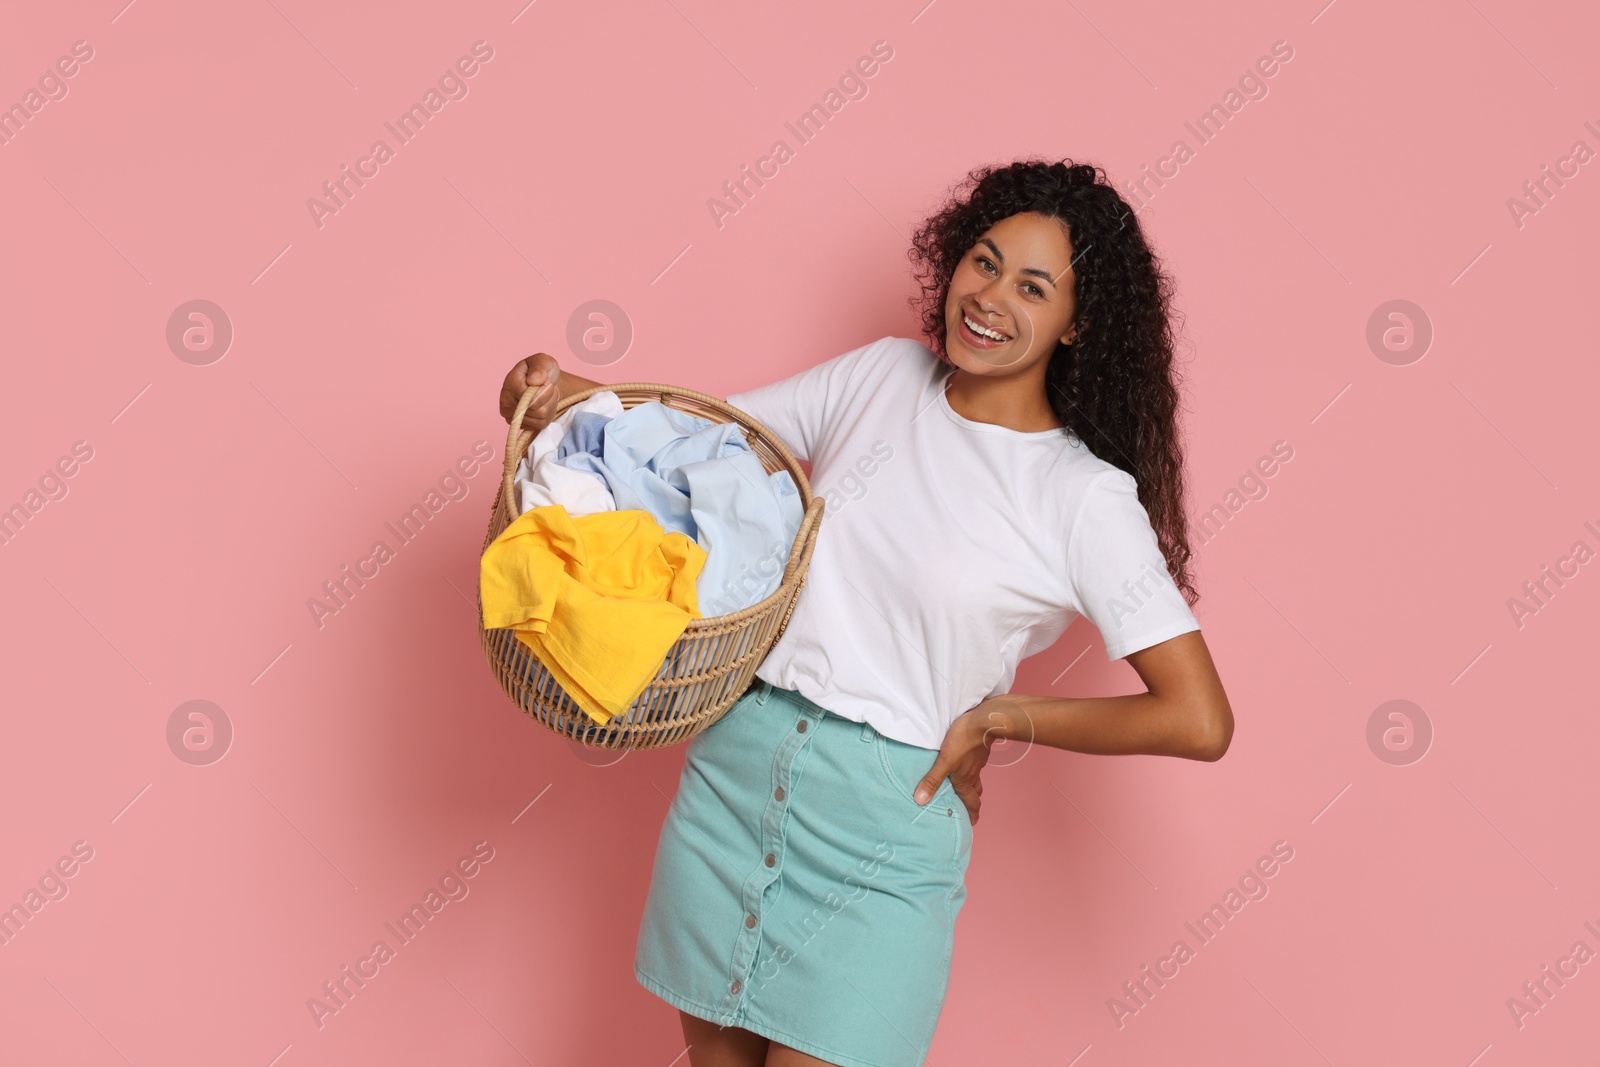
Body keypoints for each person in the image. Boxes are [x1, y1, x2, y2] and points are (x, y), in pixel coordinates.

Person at [497, 159, 1234, 1067]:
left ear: (1078, 324)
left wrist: (1005, 716)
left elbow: (1198, 718)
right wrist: (566, 391)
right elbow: (700, 441)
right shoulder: (881, 378)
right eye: (986, 261)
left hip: (884, 835)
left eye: (1032, 287)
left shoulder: (1081, 498)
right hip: (734, 775)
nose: (991, 296)